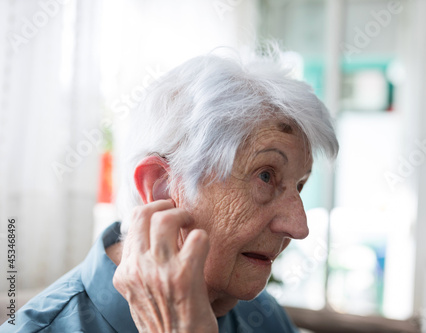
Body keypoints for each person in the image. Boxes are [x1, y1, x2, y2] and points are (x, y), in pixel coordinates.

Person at [1, 48, 338, 332]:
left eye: (299, 185)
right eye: (265, 176)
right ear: (162, 188)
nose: (299, 226)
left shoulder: (265, 318)